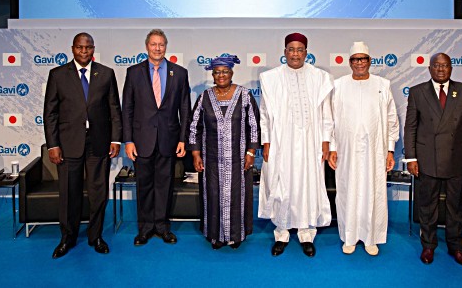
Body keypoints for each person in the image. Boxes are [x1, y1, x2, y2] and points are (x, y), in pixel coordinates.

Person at [43, 32, 122, 259]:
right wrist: (53, 144)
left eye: (88, 48)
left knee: (99, 193)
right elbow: (50, 113)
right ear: (72, 49)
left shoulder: (106, 73)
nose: (84, 52)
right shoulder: (57, 75)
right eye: (80, 48)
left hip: (99, 143)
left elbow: (114, 109)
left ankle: (95, 236)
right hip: (68, 144)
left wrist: (115, 139)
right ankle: (67, 238)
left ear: (93, 49)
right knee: (69, 193)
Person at [404, 52, 462, 267]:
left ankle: (456, 247)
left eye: (445, 65)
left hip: (457, 158)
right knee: (427, 205)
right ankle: (428, 246)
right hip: (427, 158)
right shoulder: (417, 92)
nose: (441, 69)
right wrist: (411, 158)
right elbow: (411, 127)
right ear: (429, 69)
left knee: (455, 206)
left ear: (451, 68)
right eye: (436, 66)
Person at [258, 32, 334, 257]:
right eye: (291, 49)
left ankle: (306, 233)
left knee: (307, 185)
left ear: (306, 53)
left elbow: (326, 113)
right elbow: (265, 113)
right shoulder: (271, 78)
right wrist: (267, 140)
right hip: (282, 140)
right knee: (282, 183)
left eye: (299, 50)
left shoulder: (320, 77)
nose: (295, 54)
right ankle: (281, 233)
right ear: (284, 53)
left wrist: (325, 140)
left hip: (310, 141)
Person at [328, 41, 399, 256]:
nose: (359, 63)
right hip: (346, 149)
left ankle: (371, 238)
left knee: (373, 191)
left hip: (374, 150)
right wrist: (332, 148)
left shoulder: (382, 85)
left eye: (363, 59)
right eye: (355, 59)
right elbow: (330, 119)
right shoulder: (339, 85)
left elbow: (391, 119)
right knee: (348, 189)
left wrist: (390, 150)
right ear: (350, 63)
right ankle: (349, 236)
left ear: (369, 61)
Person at [122, 29, 191, 245]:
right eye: (153, 44)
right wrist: (129, 140)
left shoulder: (179, 73)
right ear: (147, 47)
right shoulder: (133, 72)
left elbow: (185, 109)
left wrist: (182, 139)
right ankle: (145, 229)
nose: (157, 48)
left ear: (166, 47)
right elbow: (128, 109)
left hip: (168, 140)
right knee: (144, 186)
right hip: (142, 140)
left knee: (165, 185)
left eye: (161, 44)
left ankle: (162, 227)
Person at [188, 55, 260, 250]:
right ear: (213, 75)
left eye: (225, 72)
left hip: (239, 160)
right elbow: (194, 127)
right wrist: (196, 154)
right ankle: (215, 236)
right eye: (217, 72)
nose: (221, 76)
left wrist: (251, 152)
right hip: (211, 161)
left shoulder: (245, 95)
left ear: (232, 73)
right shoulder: (205, 97)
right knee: (212, 196)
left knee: (238, 196)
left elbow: (254, 126)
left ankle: (236, 236)